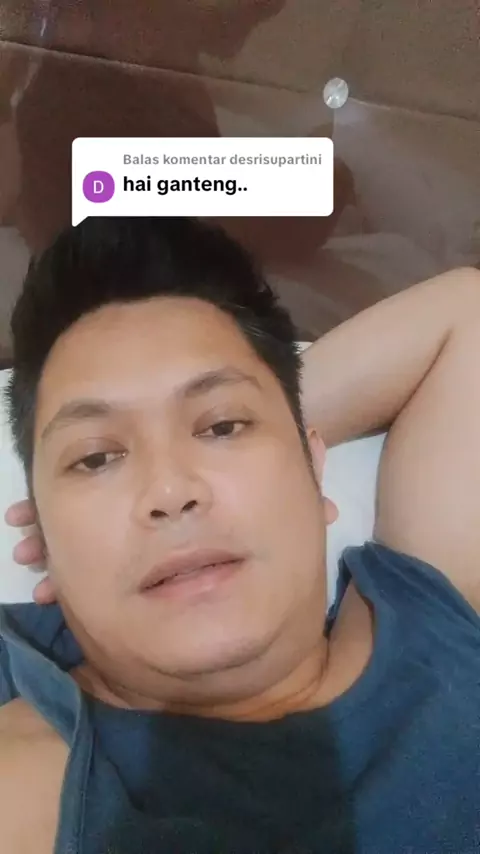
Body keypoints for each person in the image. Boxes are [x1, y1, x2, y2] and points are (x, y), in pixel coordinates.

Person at [0, 216, 478, 854]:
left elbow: (466, 314)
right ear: (43, 537)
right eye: (94, 459)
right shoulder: (34, 768)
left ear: (314, 467)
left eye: (223, 427)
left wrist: (278, 430)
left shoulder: (424, 610)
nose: (170, 490)